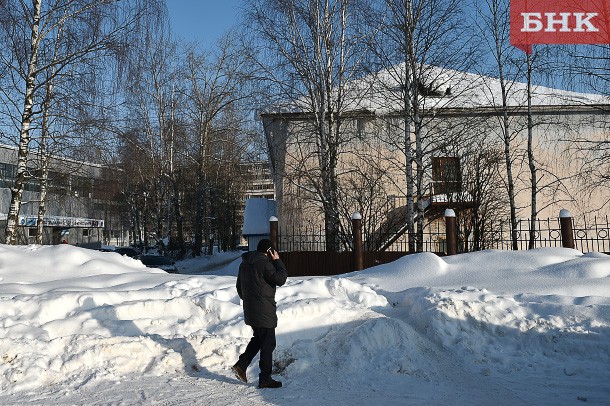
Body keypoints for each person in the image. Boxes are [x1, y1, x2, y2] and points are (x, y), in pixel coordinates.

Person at [232, 238, 288, 389]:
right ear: (269, 251)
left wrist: (250, 301)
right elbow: (281, 279)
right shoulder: (265, 264)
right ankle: (265, 379)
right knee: (268, 343)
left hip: (251, 309)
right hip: (264, 310)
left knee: (259, 338)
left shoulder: (244, 264)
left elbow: (239, 287)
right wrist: (277, 261)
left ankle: (241, 365)